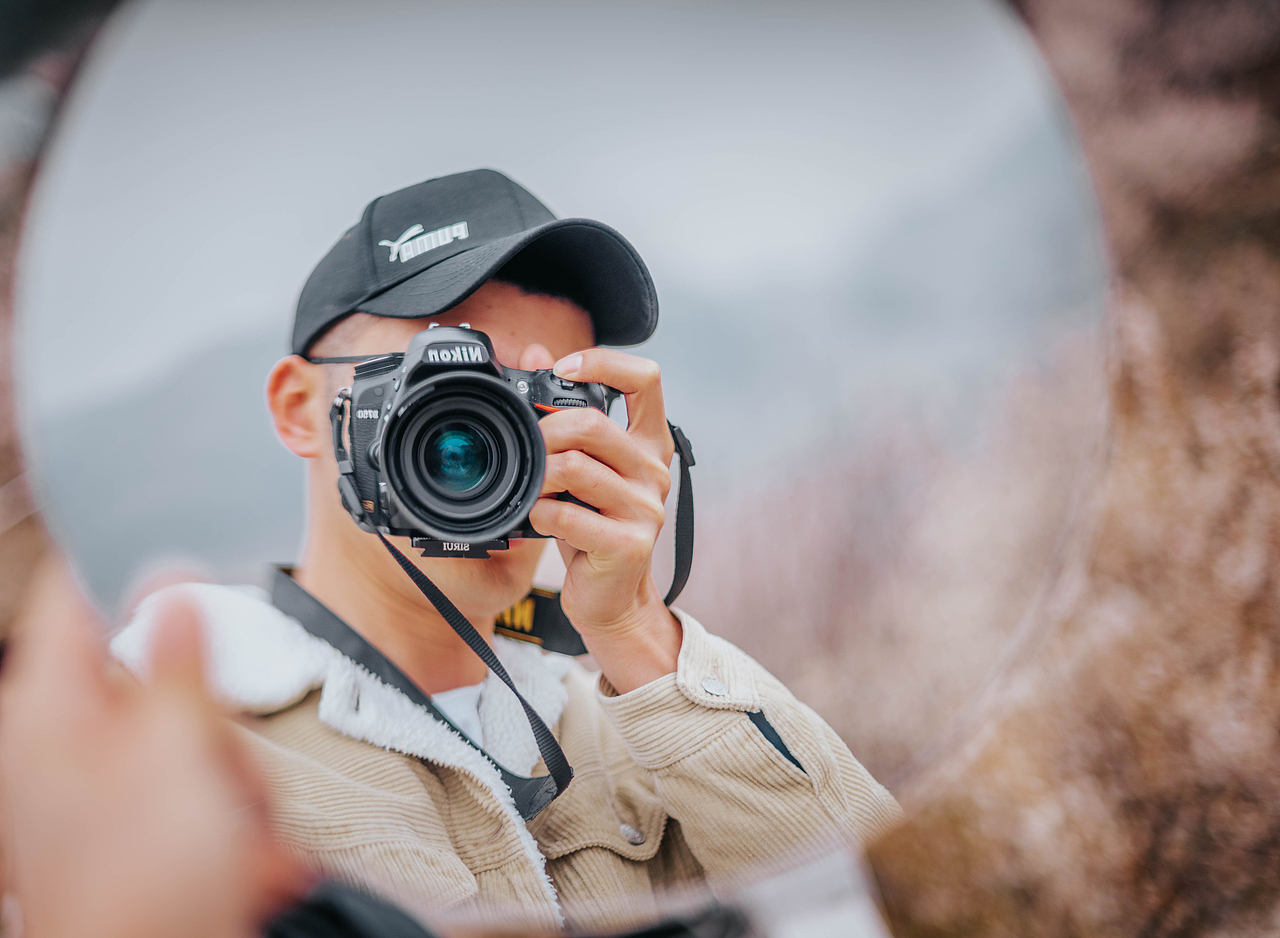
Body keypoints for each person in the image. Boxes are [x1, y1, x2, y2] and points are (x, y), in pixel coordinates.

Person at [111, 169, 902, 932]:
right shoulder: (165, 740)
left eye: (537, 400)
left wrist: (634, 630)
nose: (491, 439)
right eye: (444, 387)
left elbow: (879, 908)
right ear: (299, 408)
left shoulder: (653, 737)